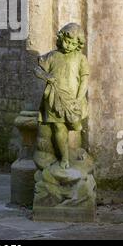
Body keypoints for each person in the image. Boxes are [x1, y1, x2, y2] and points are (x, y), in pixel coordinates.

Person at [34, 22, 89, 169]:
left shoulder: (80, 58)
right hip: (53, 98)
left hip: (73, 100)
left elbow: (84, 79)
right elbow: (37, 70)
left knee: (75, 126)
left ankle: (72, 153)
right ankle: (64, 158)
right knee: (58, 127)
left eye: (71, 43)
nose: (66, 45)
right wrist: (46, 76)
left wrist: (78, 99)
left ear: (78, 43)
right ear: (60, 38)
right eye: (65, 41)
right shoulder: (52, 55)